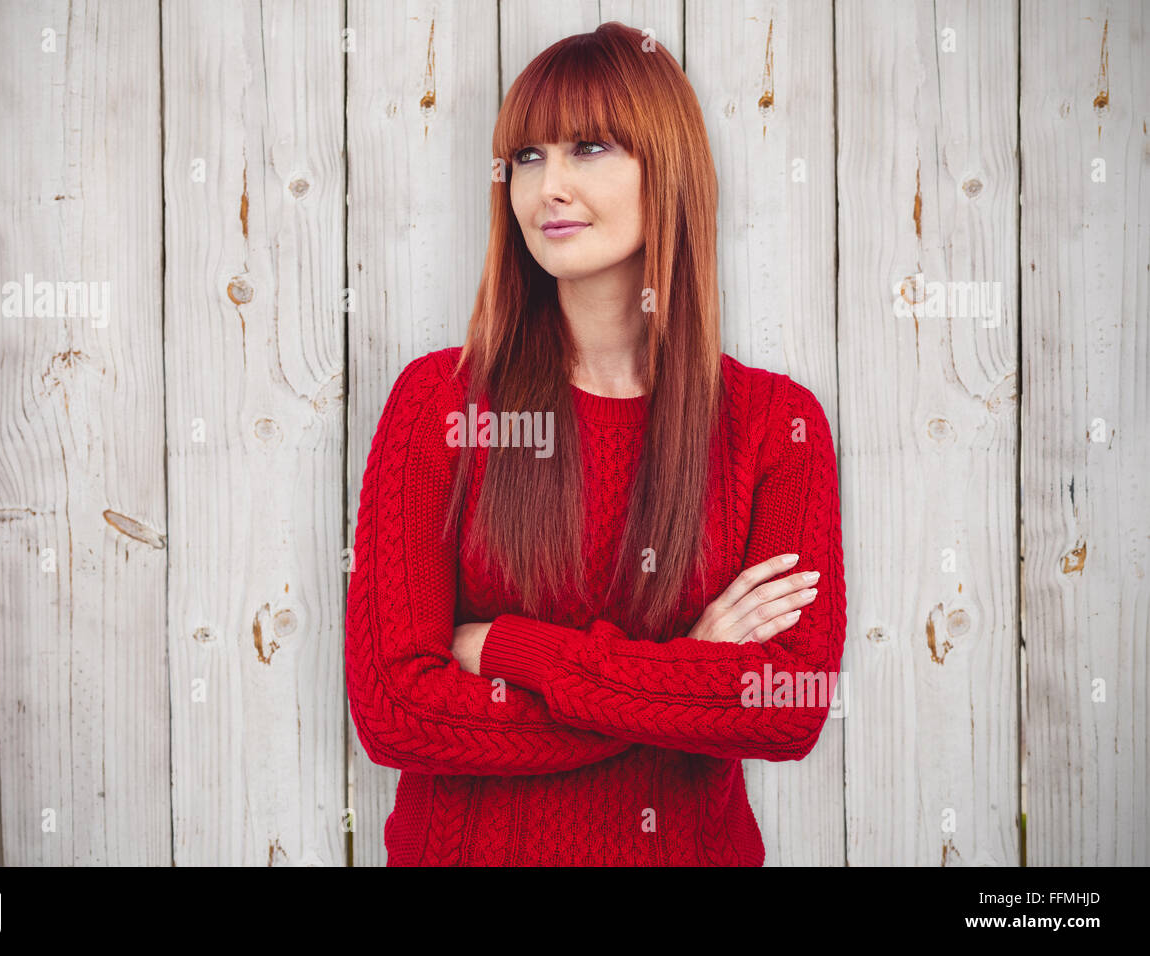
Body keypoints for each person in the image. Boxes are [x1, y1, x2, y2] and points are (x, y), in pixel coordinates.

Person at [345, 20, 846, 866]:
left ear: (669, 170)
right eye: (528, 157)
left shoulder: (775, 426)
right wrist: (686, 672)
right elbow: (398, 712)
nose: (549, 187)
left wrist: (512, 649)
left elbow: (787, 704)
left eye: (589, 147)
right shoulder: (439, 403)